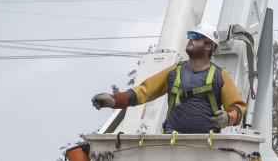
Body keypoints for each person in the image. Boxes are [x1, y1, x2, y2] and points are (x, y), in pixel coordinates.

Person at [90, 24, 247, 134]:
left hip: (207, 144)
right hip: (172, 142)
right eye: (190, 36)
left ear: (209, 46)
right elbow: (143, 91)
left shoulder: (220, 75)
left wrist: (228, 117)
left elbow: (238, 107)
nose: (190, 39)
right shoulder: (174, 72)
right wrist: (113, 100)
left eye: (196, 37)